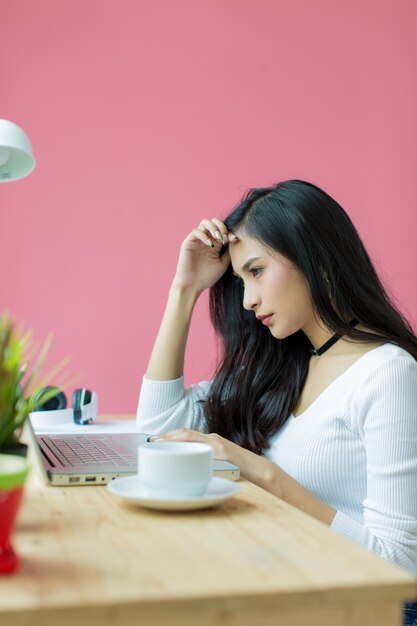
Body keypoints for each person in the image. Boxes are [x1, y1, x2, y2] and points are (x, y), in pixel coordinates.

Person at [136, 180, 417, 585]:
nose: (247, 300)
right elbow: (156, 433)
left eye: (256, 271)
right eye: (240, 281)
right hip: (292, 588)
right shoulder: (284, 367)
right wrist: (184, 290)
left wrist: (259, 472)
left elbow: (401, 564)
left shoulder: (387, 373)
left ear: (316, 260)